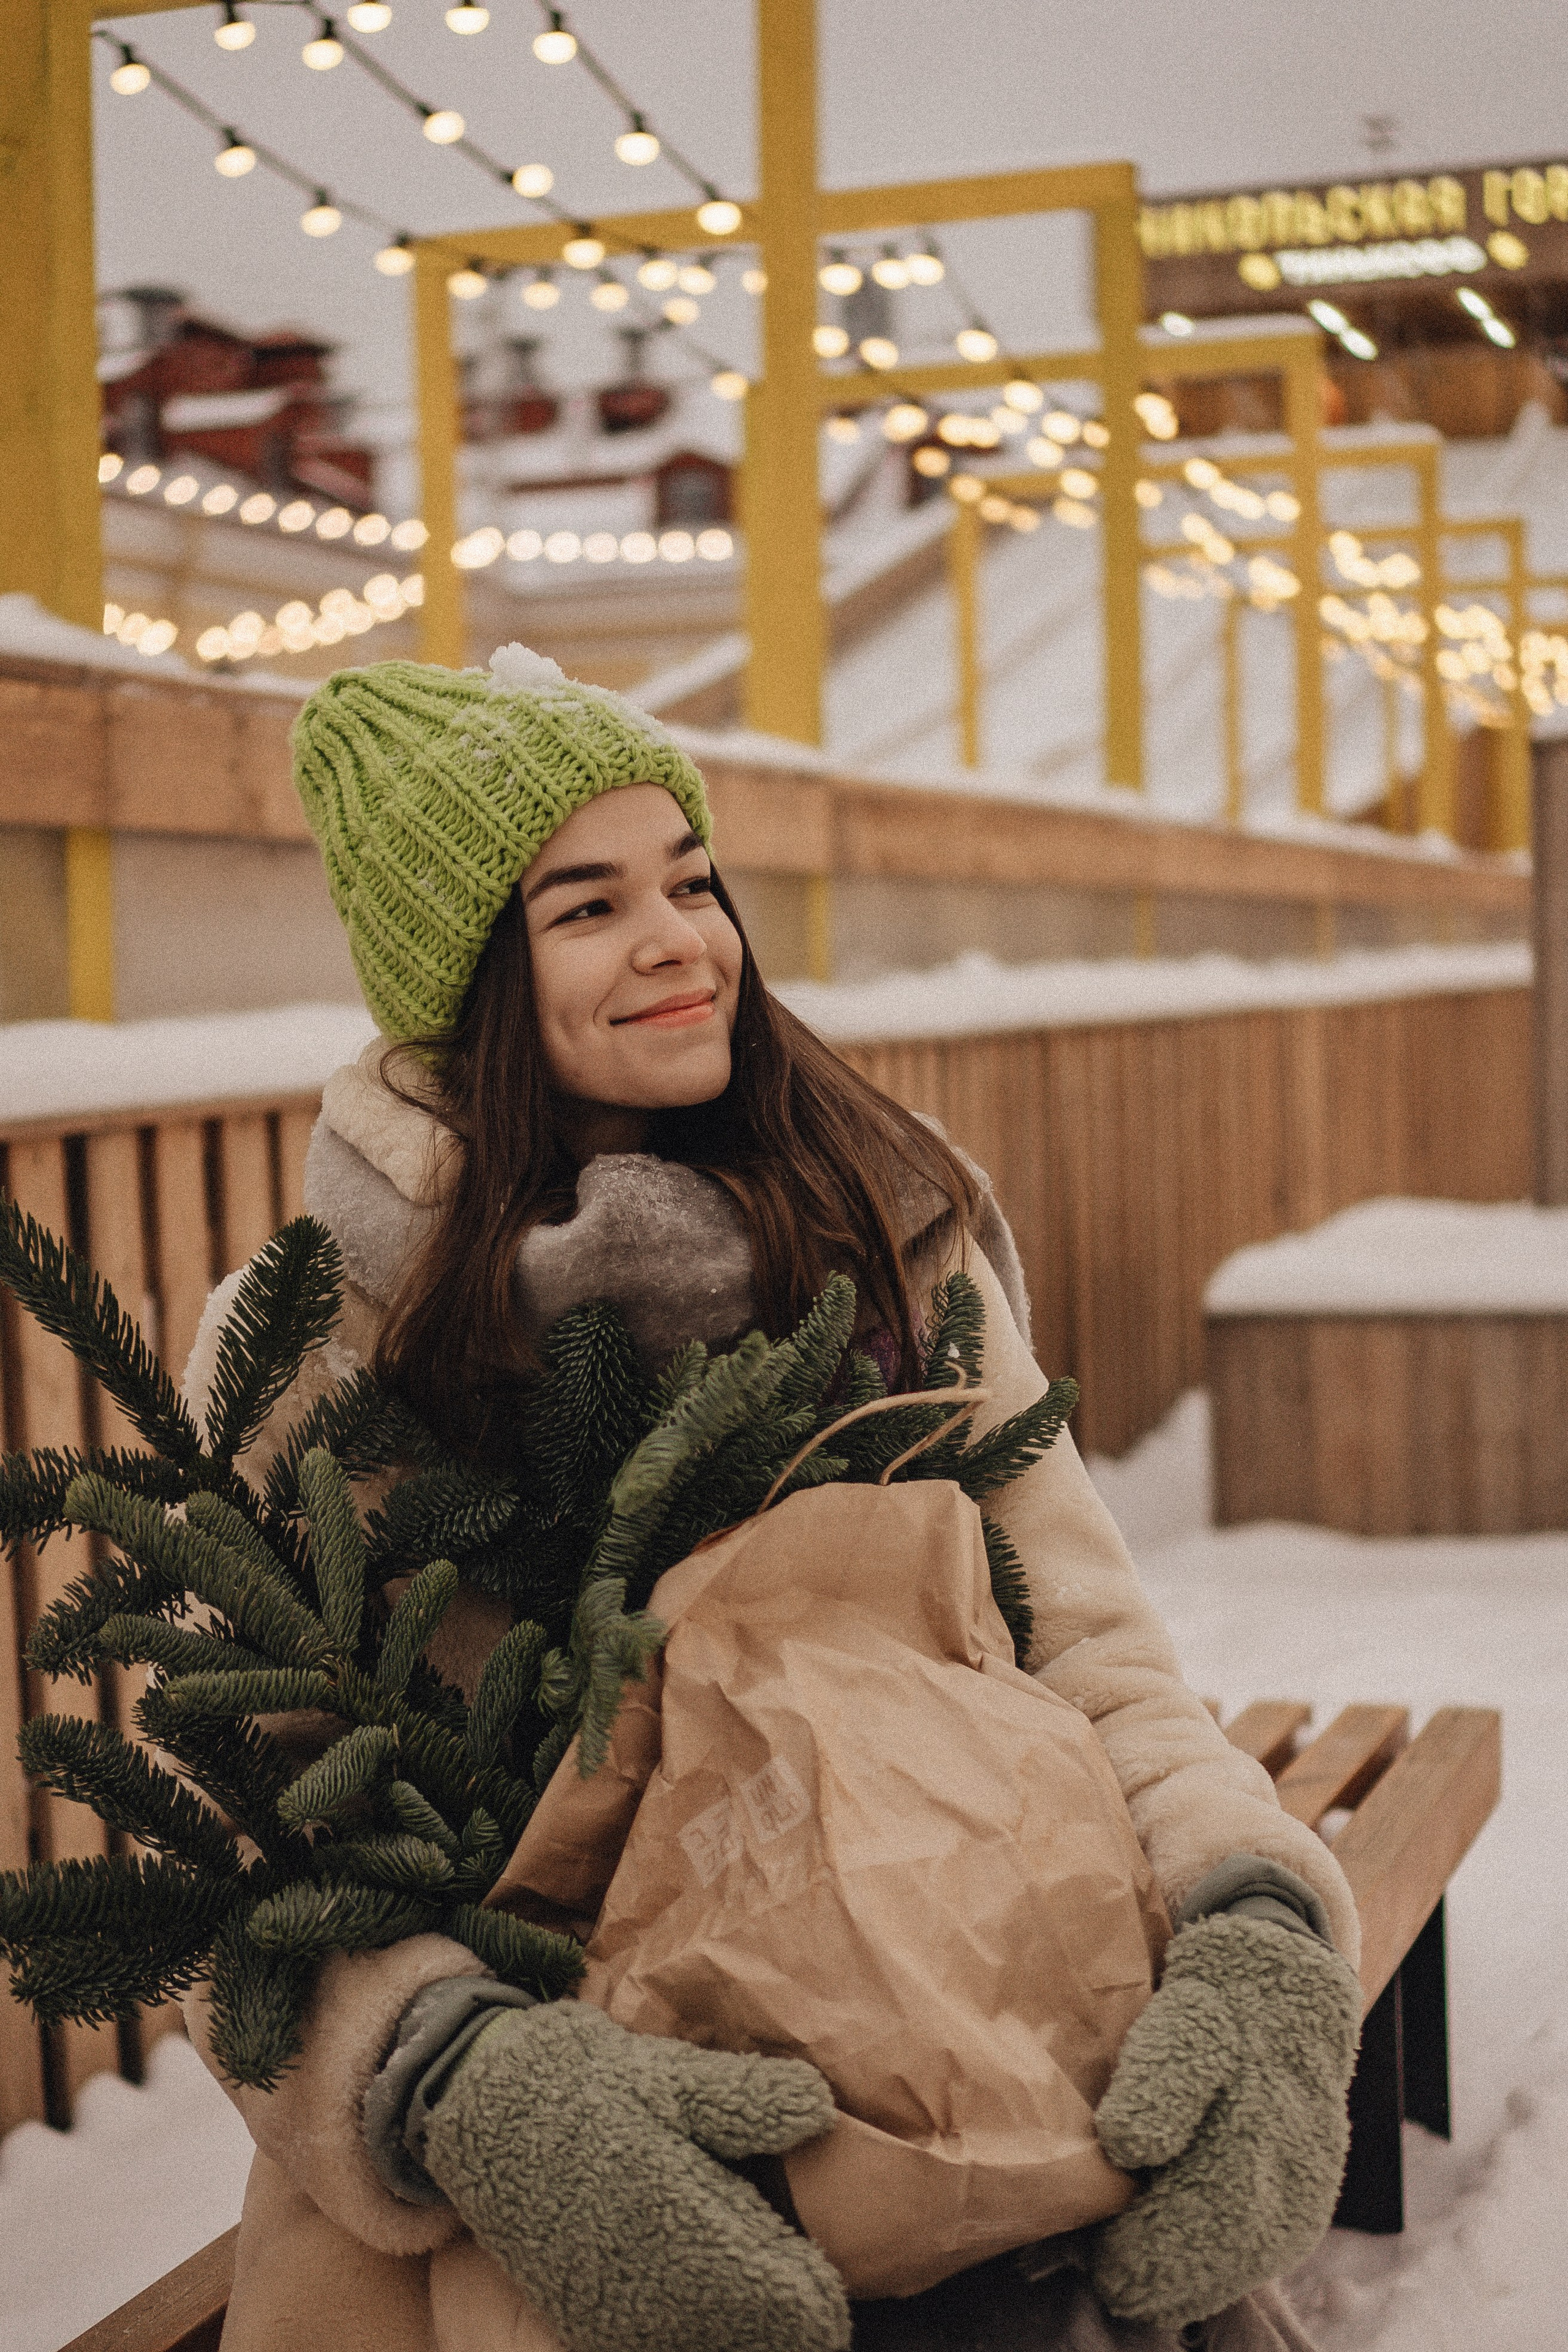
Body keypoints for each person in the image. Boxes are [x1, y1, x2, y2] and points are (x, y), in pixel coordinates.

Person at [181, 646, 1361, 2352]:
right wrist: (459, 2079)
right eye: (587, 906)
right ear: (471, 985)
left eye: (693, 879)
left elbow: (1090, 1650)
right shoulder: (315, 1335)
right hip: (556, 2107)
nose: (682, 938)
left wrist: (1254, 1920)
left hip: (962, 1989)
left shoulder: (880, 1226)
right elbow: (247, 1833)